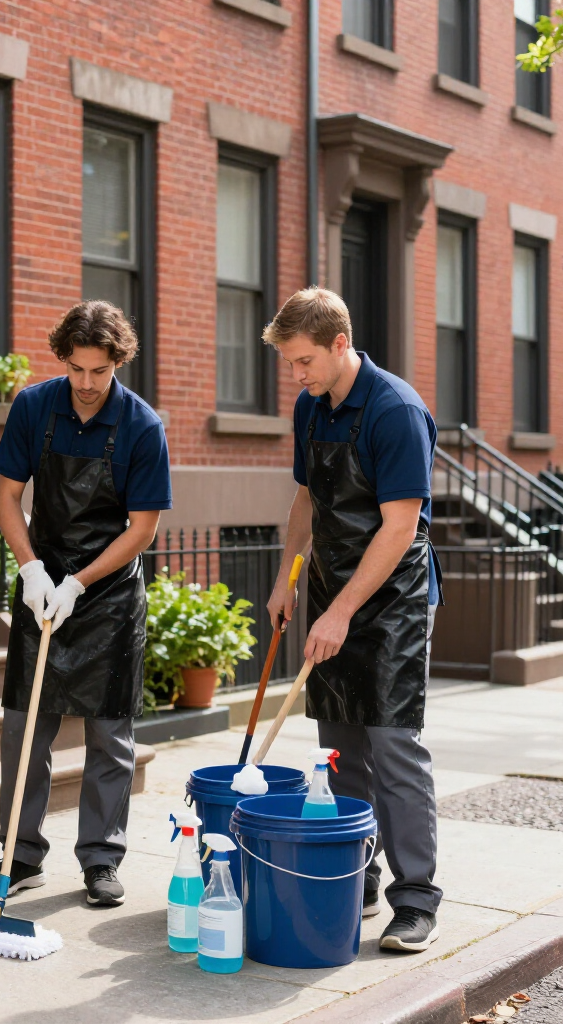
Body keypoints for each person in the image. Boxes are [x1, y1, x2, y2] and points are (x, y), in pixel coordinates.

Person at [0, 300, 171, 907]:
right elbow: (6, 498)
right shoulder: (35, 406)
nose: (86, 385)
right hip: (42, 587)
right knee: (23, 731)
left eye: (99, 373)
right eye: (77, 370)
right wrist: (31, 569)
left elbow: (142, 528)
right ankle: (19, 854)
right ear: (65, 360)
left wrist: (80, 582)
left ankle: (101, 862)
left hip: (107, 594)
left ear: (117, 363)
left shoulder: (142, 425)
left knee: (110, 736)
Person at [265, 287, 444, 952]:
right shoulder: (310, 410)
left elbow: (400, 529)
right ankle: (356, 875)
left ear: (341, 344)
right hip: (332, 592)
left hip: (393, 602)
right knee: (339, 751)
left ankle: (416, 899)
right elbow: (306, 499)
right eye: (290, 364)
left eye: (305, 360)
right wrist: (290, 578)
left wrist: (340, 611)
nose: (298, 375)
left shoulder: (395, 410)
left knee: (394, 746)